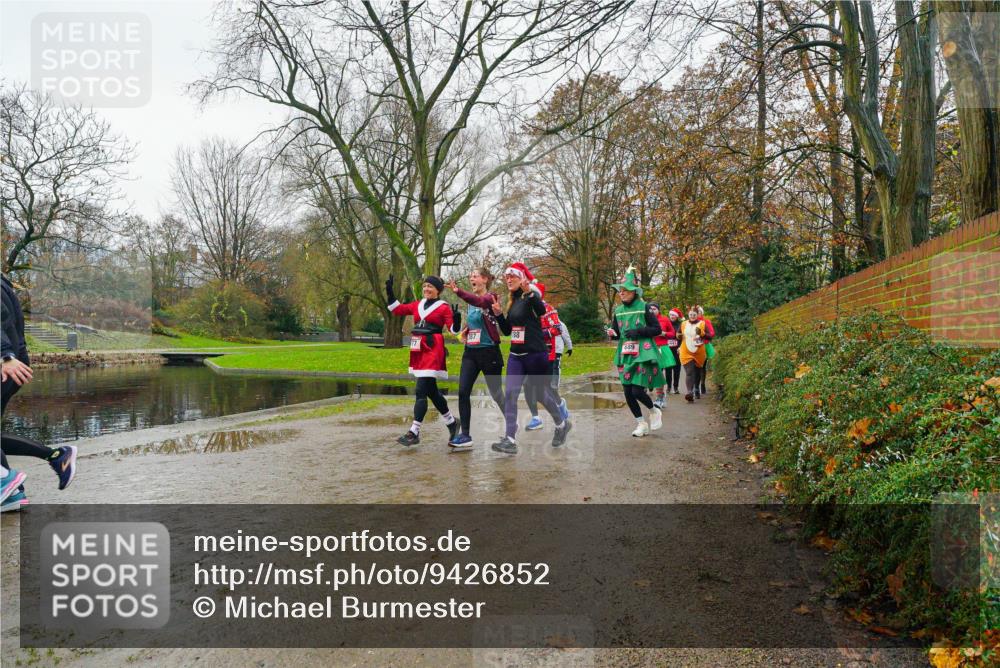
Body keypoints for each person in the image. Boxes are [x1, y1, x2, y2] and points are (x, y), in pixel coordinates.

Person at [2, 273, 77, 512]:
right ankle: (13, 492)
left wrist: (5, 356)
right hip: (12, 365)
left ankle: (4, 482)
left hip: (7, 366)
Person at [490, 263, 570, 455]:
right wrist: (499, 314)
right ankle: (510, 439)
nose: (509, 279)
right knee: (511, 394)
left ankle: (561, 424)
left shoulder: (531, 297)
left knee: (540, 395)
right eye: (507, 277)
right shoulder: (514, 301)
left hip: (535, 354)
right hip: (516, 356)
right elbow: (508, 331)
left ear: (522, 279)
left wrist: (530, 293)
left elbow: (541, 311)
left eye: (513, 276)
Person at [386, 275, 461, 447]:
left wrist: (456, 320)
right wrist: (390, 292)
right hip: (419, 349)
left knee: (421, 389)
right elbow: (397, 309)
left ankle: (414, 432)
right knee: (431, 391)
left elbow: (453, 330)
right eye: (425, 285)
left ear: (438, 291)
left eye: (430, 287)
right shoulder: (417, 304)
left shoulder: (443, 307)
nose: (426, 289)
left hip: (433, 348)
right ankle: (451, 422)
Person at [444, 269, 506, 450]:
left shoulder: (490, 298)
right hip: (470, 353)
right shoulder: (470, 303)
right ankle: (465, 435)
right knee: (463, 392)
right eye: (471, 276)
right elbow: (473, 323)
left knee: (496, 394)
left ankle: (512, 425)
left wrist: (458, 291)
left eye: (475, 276)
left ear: (484, 279)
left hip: (489, 353)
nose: (471, 278)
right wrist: (464, 332)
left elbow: (479, 302)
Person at [607, 266, 665, 437]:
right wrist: (613, 334)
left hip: (643, 353)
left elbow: (657, 329)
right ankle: (641, 424)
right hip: (626, 354)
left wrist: (639, 331)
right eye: (620, 291)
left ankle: (654, 411)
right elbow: (618, 333)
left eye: (625, 290)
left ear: (634, 292)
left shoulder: (644, 307)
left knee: (637, 391)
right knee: (627, 391)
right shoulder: (618, 311)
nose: (621, 293)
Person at [524, 284, 571, 430]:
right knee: (527, 385)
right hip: (529, 354)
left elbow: (557, 329)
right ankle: (536, 418)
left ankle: (560, 405)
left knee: (548, 388)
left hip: (547, 353)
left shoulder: (548, 309)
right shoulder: (523, 309)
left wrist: (538, 334)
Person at [648, 302, 677, 409]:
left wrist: (664, 333)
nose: (652, 311)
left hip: (662, 348)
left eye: (654, 309)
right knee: (651, 372)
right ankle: (660, 395)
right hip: (649, 348)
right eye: (650, 309)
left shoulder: (665, 319)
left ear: (658, 310)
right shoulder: (646, 319)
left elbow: (673, 333)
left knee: (658, 372)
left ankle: (660, 397)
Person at [678, 305, 708, 403]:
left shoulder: (702, 323)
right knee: (689, 371)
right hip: (686, 350)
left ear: (697, 315)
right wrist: (678, 336)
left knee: (698, 371)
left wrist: (701, 333)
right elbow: (678, 333)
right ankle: (689, 392)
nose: (692, 316)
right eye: (690, 315)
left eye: (694, 315)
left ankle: (696, 388)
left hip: (699, 351)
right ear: (688, 315)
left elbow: (709, 336)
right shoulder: (683, 323)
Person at [696, 306, 716, 395]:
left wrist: (703, 334)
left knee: (702, 366)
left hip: (704, 345)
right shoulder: (689, 323)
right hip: (693, 346)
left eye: (699, 312)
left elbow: (712, 333)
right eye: (696, 313)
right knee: (695, 368)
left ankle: (702, 384)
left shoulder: (706, 321)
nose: (697, 314)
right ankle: (695, 387)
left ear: (701, 313)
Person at [666, 308, 683, 394]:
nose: (672, 316)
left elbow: (683, 337)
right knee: (668, 369)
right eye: (670, 315)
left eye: (673, 315)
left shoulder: (681, 324)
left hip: (677, 350)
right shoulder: (667, 323)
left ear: (676, 316)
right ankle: (669, 387)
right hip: (667, 349)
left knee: (677, 369)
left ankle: (676, 387)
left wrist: (680, 347)